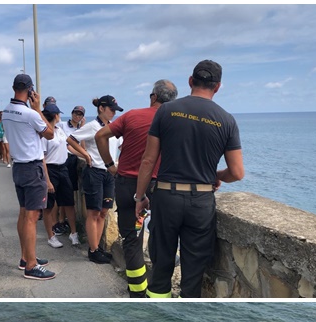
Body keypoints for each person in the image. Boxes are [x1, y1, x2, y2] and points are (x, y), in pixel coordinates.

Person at [133, 60, 244, 298]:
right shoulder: (226, 120)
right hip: (201, 201)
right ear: (218, 87)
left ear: (191, 81)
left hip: (166, 197)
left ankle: (158, 319)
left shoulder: (165, 111)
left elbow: (148, 160)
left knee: (161, 264)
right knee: (193, 272)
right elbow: (237, 172)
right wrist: (214, 176)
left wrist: (140, 197)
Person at [95, 80, 178, 297]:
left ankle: (137, 292)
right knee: (162, 238)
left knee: (132, 239)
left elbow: (100, 136)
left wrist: (110, 165)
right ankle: (159, 290)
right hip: (161, 187)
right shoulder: (174, 120)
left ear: (153, 97)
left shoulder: (132, 115)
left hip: (128, 186)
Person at [1, 73, 56, 280]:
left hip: (18, 167)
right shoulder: (31, 114)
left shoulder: (6, 111)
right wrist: (38, 109)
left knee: (24, 213)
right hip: (33, 168)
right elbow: (49, 133)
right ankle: (31, 266)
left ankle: (25, 257)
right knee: (32, 217)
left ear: (13, 87)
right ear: (31, 90)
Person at [66, 95, 123, 264]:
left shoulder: (114, 127)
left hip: (109, 173)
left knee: (104, 212)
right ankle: (93, 250)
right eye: (111, 110)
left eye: (115, 110)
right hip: (95, 172)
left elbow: (121, 145)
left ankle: (98, 248)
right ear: (101, 108)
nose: (113, 113)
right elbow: (70, 139)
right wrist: (85, 154)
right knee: (94, 212)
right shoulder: (92, 127)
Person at [39, 103, 77, 249]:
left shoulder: (59, 130)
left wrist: (85, 155)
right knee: (48, 206)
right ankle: (51, 236)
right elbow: (42, 158)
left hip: (63, 168)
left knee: (69, 202)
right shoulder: (44, 135)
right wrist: (47, 181)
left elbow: (69, 145)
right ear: (56, 116)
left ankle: (74, 233)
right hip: (51, 169)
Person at [52, 105, 86, 244]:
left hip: (73, 161)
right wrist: (84, 155)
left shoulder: (81, 128)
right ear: (71, 113)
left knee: (68, 193)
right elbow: (66, 145)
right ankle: (57, 223)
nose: (77, 116)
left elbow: (83, 146)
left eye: (80, 114)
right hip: (63, 159)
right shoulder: (61, 126)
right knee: (56, 194)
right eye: (75, 113)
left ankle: (62, 221)